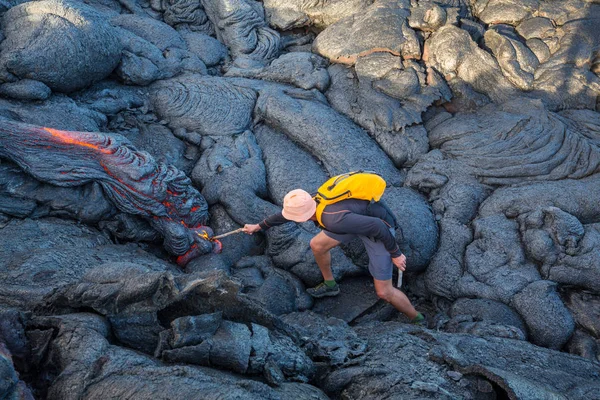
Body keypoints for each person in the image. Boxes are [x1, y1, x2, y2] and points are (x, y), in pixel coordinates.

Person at [243, 188, 425, 324]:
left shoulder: (332, 219)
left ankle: (417, 318)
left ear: (304, 216)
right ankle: (330, 285)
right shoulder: (313, 200)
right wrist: (258, 226)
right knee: (317, 244)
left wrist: (396, 254)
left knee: (384, 291)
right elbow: (284, 216)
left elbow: (378, 226)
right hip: (353, 220)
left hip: (379, 230)